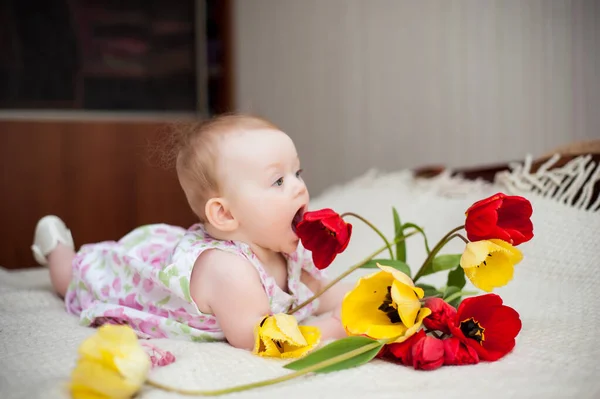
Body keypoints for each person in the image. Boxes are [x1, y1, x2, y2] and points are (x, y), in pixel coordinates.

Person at [30, 114, 349, 350]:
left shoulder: (280, 245)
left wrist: (374, 294)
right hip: (128, 276)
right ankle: (57, 246)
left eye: (297, 172)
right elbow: (260, 337)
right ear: (224, 214)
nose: (299, 188)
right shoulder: (228, 270)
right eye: (278, 181)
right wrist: (336, 327)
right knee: (71, 279)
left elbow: (323, 291)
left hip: (177, 252)